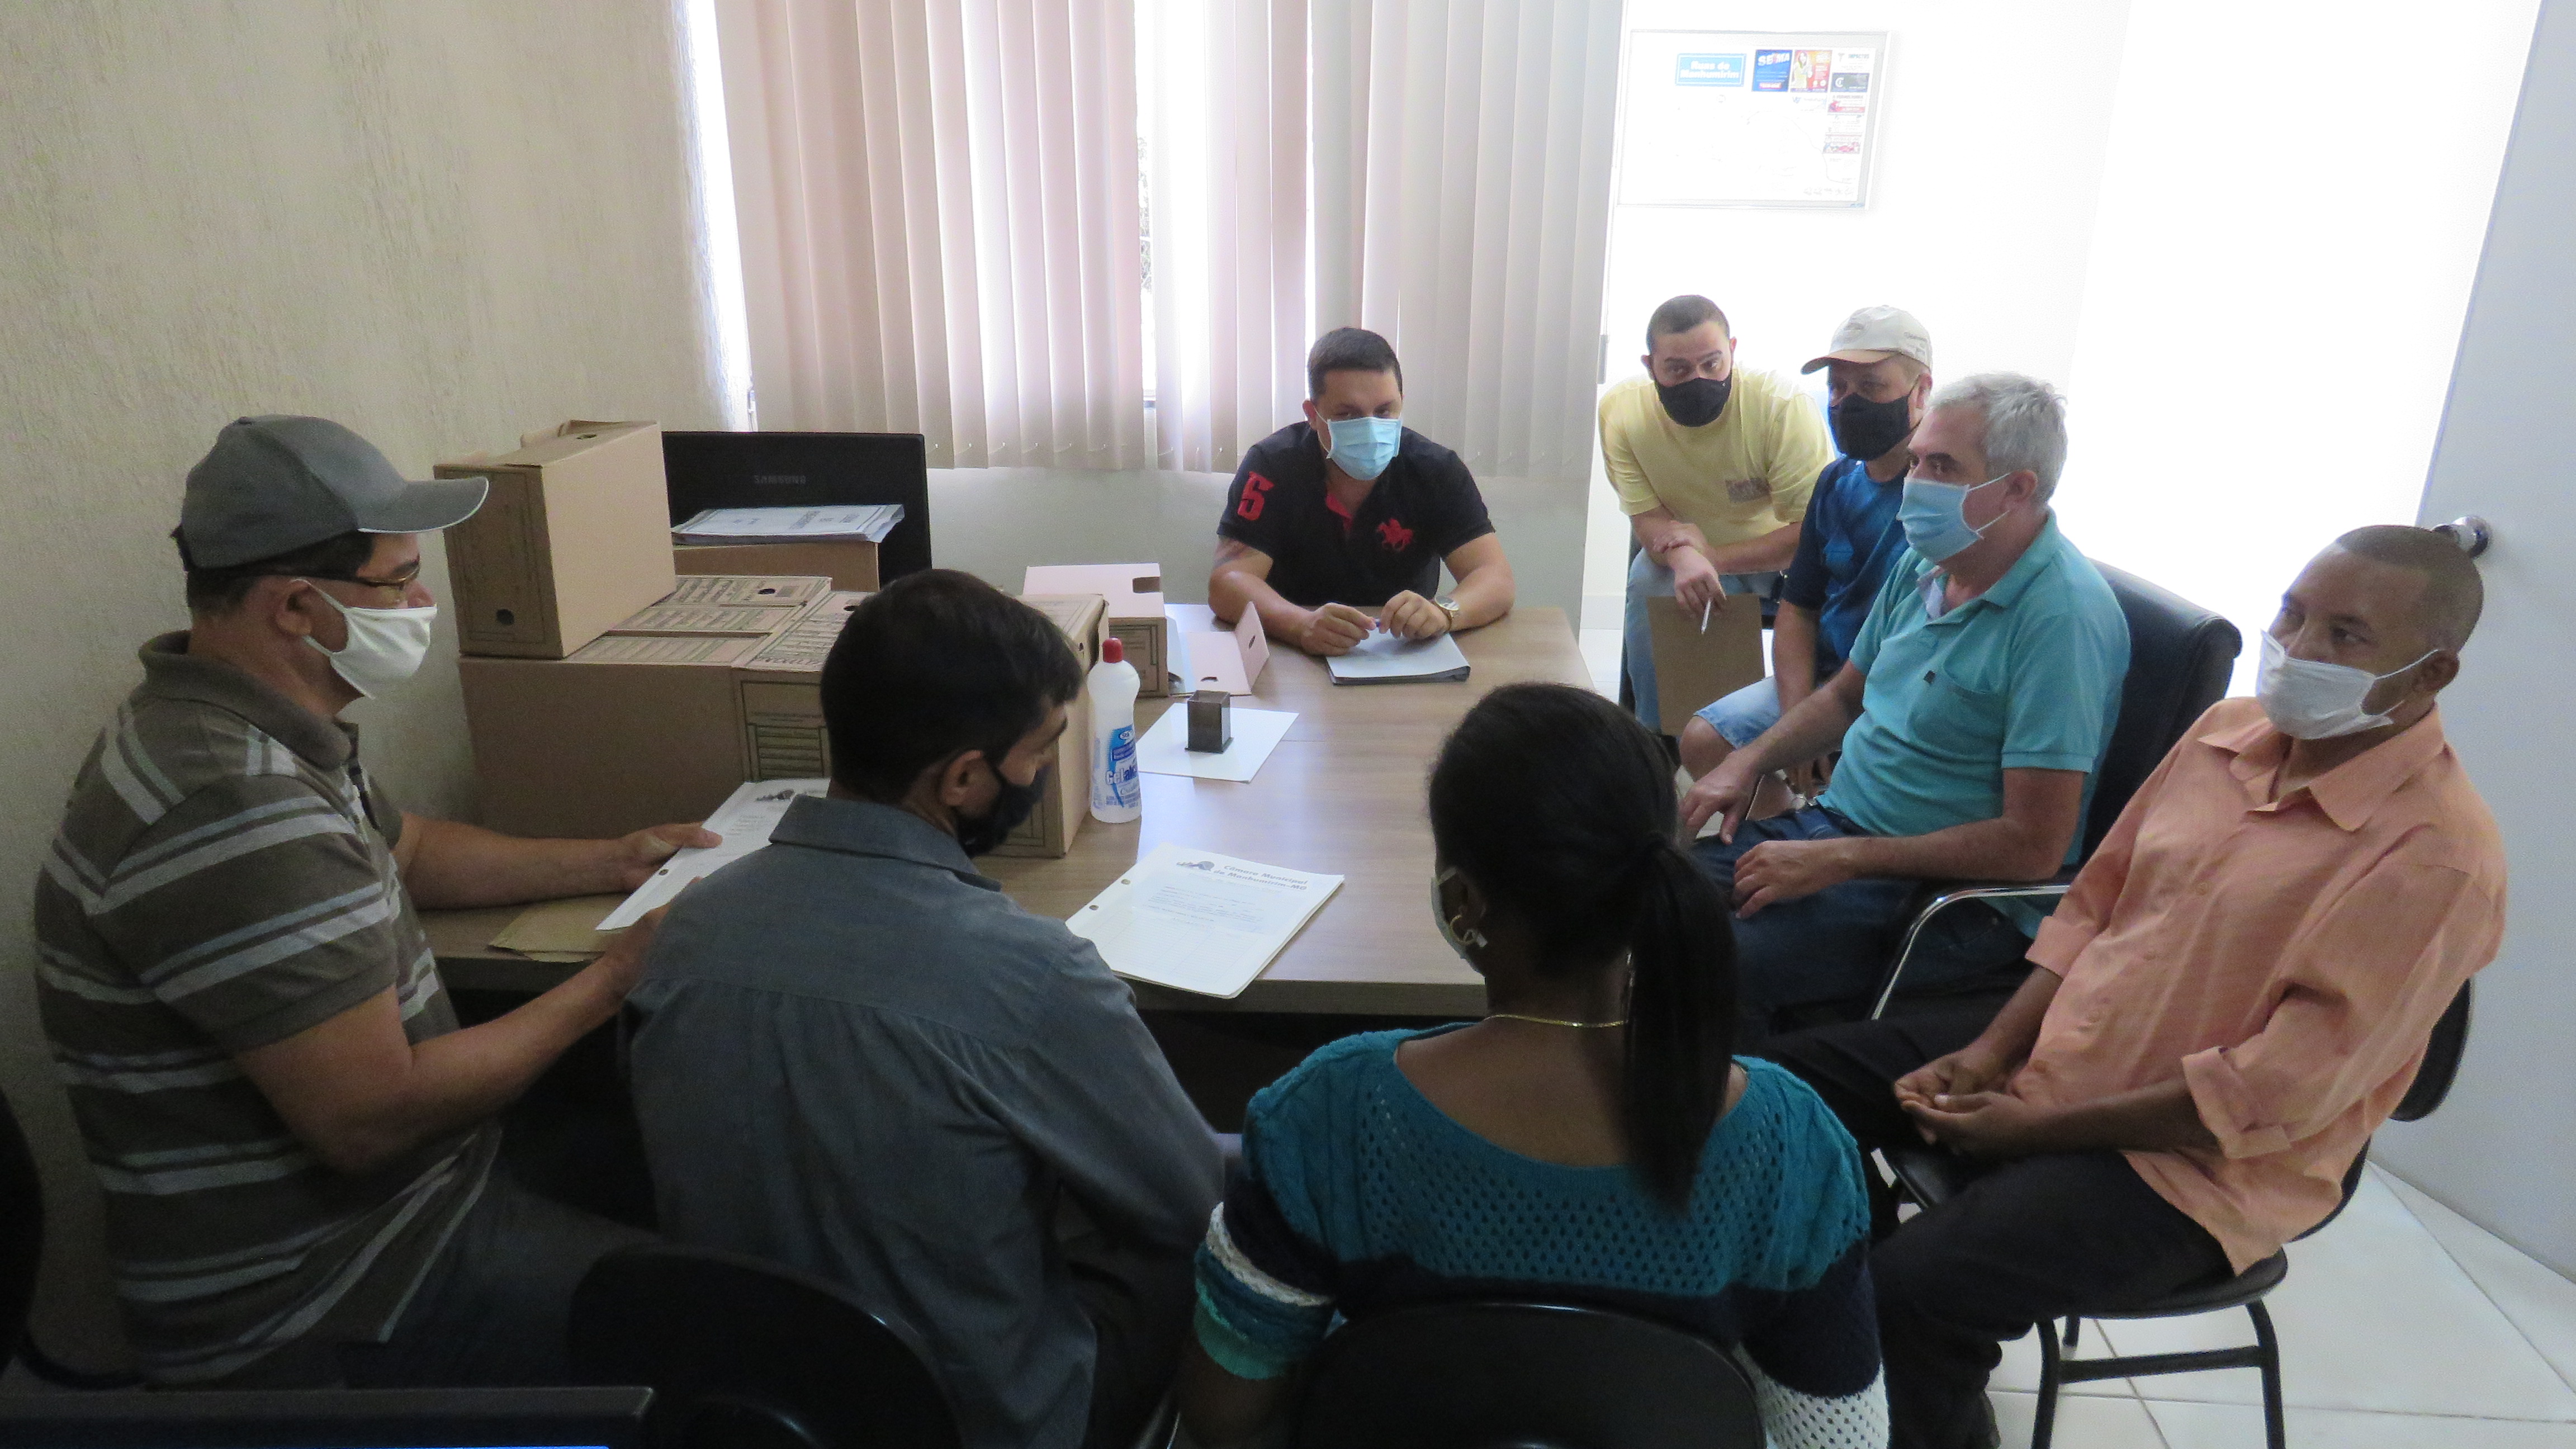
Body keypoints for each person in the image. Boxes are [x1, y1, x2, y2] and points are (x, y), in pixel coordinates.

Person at [1762, 527, 2504, 1449]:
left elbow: (2260, 1098)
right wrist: (1990, 1051)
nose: (2298, 647)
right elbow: (2093, 907)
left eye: (2345, 635)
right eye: (2291, 614)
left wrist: (2028, 1128)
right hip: (2071, 1049)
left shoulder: (2435, 858)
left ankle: (1911, 1378)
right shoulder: (2225, 734)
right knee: (1782, 1097)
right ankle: (1878, 1377)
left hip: (2196, 1163)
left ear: (2431, 674)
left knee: (1913, 1291)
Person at [32, 415, 716, 1388]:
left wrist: (613, 859)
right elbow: (372, 1120)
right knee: (731, 1334)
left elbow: (412, 850)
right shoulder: (230, 800)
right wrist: (616, 977)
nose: (423, 603)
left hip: (425, 1195)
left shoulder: (239, 723)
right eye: (399, 582)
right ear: (297, 608)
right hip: (332, 1295)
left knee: (692, 1164)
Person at [1176, 683, 1886, 1449]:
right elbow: (1840, 1442)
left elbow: (1223, 1416)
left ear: (1462, 900)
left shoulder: (1327, 1114)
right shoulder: (1792, 1143)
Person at [625, 570, 1223, 1449]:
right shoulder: (1036, 975)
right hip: (974, 1422)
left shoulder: (685, 931)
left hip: (755, 1406)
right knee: (1188, 1244)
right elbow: (1190, 1203)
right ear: (965, 779)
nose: (1043, 772)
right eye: (1041, 751)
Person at [1682, 374, 2129, 1038]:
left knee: (1709, 958)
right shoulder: (1928, 563)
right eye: (1918, 461)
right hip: (1839, 832)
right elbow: (1846, 696)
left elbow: (2034, 847)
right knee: (1649, 891)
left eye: (1943, 467)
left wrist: (1845, 859)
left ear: (2017, 489)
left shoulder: (2061, 620)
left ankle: (1749, 1097)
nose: (1916, 482)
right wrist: (1745, 763)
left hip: (1947, 900)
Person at [1684, 306, 1933, 820]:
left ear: (1921, 391)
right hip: (1822, 680)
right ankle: (1788, 829)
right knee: (1704, 741)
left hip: (1896, 694)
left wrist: (1822, 725)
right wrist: (1799, 721)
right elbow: (1799, 608)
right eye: (1838, 387)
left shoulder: (1942, 498)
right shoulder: (1837, 483)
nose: (1848, 402)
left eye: (1871, 385)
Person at [1602, 295, 1835, 729]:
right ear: (1650, 366)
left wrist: (1712, 558)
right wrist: (1685, 558)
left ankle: (1737, 736)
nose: (1699, 379)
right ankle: (1659, 738)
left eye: (1712, 364)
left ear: (1732, 349)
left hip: (1778, 560)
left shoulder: (1780, 408)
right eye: (1678, 369)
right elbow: (1646, 516)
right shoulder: (1623, 412)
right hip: (1683, 552)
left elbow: (1811, 536)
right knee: (1650, 581)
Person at [1210, 326, 1516, 656]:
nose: (1370, 428)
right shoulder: (1271, 465)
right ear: (1313, 415)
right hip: (1292, 649)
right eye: (1347, 414)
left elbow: (1495, 577)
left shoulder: (1436, 469)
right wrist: (1300, 625)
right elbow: (1228, 582)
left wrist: (1443, 612)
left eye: (1384, 411)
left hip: (1404, 650)